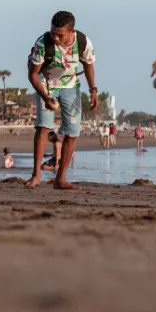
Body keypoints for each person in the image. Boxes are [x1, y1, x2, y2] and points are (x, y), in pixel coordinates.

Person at [26, 11, 97, 190]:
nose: (56, 38)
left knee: (72, 132)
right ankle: (36, 175)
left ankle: (61, 179)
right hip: (46, 84)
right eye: (53, 33)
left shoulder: (83, 42)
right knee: (43, 127)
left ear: (71, 32)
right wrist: (45, 97)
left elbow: (88, 65)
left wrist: (93, 90)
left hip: (71, 86)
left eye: (60, 35)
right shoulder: (43, 43)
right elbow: (33, 74)